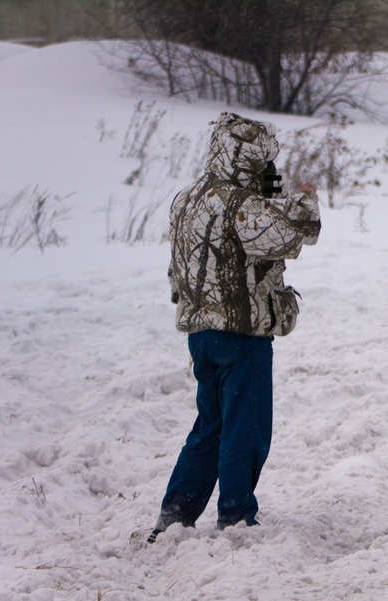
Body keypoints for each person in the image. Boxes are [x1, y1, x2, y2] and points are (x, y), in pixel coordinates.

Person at [148, 112, 321, 543]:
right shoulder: (239, 203)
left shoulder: (186, 198)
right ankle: (236, 516)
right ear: (253, 156)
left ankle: (176, 513)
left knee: (211, 425)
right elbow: (289, 238)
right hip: (241, 334)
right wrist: (303, 203)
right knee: (247, 427)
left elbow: (181, 263)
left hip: (200, 333)